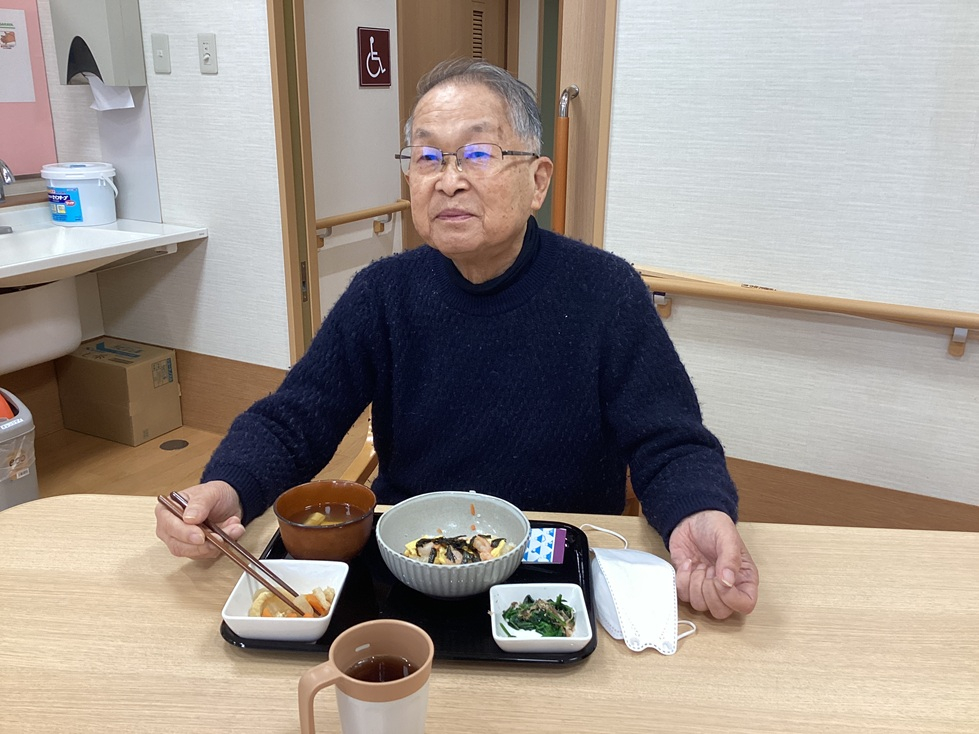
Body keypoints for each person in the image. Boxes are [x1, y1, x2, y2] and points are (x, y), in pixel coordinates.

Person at [156, 58, 759, 620]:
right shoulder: (384, 292)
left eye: (476, 153)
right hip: (409, 556)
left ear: (538, 181)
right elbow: (297, 417)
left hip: (553, 560)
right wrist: (229, 485)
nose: (448, 181)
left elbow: (670, 440)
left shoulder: (605, 291)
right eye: (427, 158)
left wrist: (697, 511)